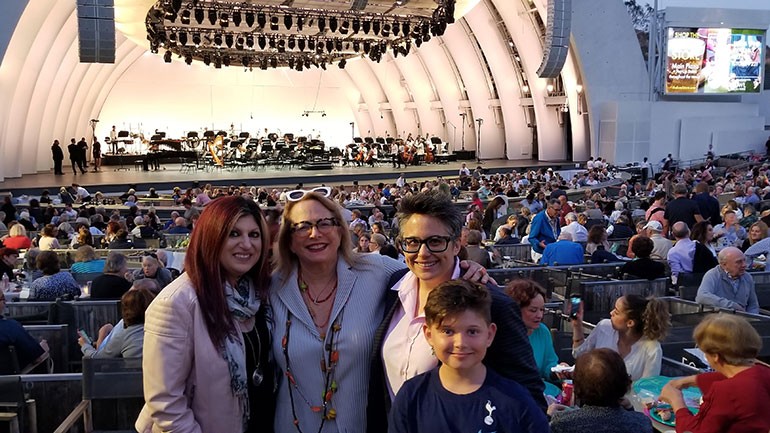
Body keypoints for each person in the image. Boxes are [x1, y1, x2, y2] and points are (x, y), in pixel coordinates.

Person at [369, 190, 545, 433]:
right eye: (412, 242)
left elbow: (528, 396)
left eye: (435, 241)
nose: (422, 253)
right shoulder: (390, 288)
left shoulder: (493, 304)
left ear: (456, 244)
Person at [136, 196, 274, 433]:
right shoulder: (176, 304)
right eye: (233, 234)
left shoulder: (259, 294)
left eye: (254, 235)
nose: (247, 244)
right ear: (211, 238)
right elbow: (165, 403)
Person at [388, 279, 549, 433]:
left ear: (489, 334)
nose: (460, 343)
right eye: (448, 331)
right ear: (429, 335)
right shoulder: (412, 396)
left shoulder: (516, 401)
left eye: (472, 331)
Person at [659, 314, 770, 433]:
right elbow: (733, 377)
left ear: (715, 356)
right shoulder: (762, 370)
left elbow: (693, 431)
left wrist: (676, 402)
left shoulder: (725, 391)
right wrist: (689, 380)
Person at [549, 349, 652, 433]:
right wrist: (630, 409)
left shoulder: (561, 423)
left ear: (577, 389)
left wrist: (548, 417)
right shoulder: (642, 423)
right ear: (625, 384)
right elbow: (634, 422)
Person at [572, 294, 670, 381]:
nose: (611, 313)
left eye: (616, 312)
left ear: (630, 323)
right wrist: (577, 325)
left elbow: (647, 389)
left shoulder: (652, 349)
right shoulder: (603, 327)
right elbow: (579, 354)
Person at [78, 285, 155, 358]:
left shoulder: (125, 334)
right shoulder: (163, 329)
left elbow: (97, 359)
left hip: (132, 372)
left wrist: (85, 345)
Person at [505, 279, 558, 382]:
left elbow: (549, 364)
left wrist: (557, 371)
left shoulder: (543, 331)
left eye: (542, 310)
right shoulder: (504, 335)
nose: (540, 315)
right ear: (516, 309)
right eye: (533, 310)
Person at [695, 247, 759, 313]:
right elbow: (702, 297)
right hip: (719, 319)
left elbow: (753, 305)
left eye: (744, 260)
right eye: (739, 262)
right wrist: (731, 306)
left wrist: (752, 319)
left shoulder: (747, 277)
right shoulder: (713, 275)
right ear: (724, 265)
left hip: (742, 320)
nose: (744, 265)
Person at [0, 291, 50, 374]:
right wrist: (42, 349)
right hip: (9, 384)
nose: (5, 301)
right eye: (2, 298)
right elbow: (37, 357)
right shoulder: (11, 327)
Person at [528, 198, 561, 262]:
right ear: (549, 208)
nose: (558, 212)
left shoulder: (556, 219)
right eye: (556, 210)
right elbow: (531, 237)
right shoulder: (539, 218)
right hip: (540, 252)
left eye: (559, 210)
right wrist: (539, 244)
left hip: (552, 250)